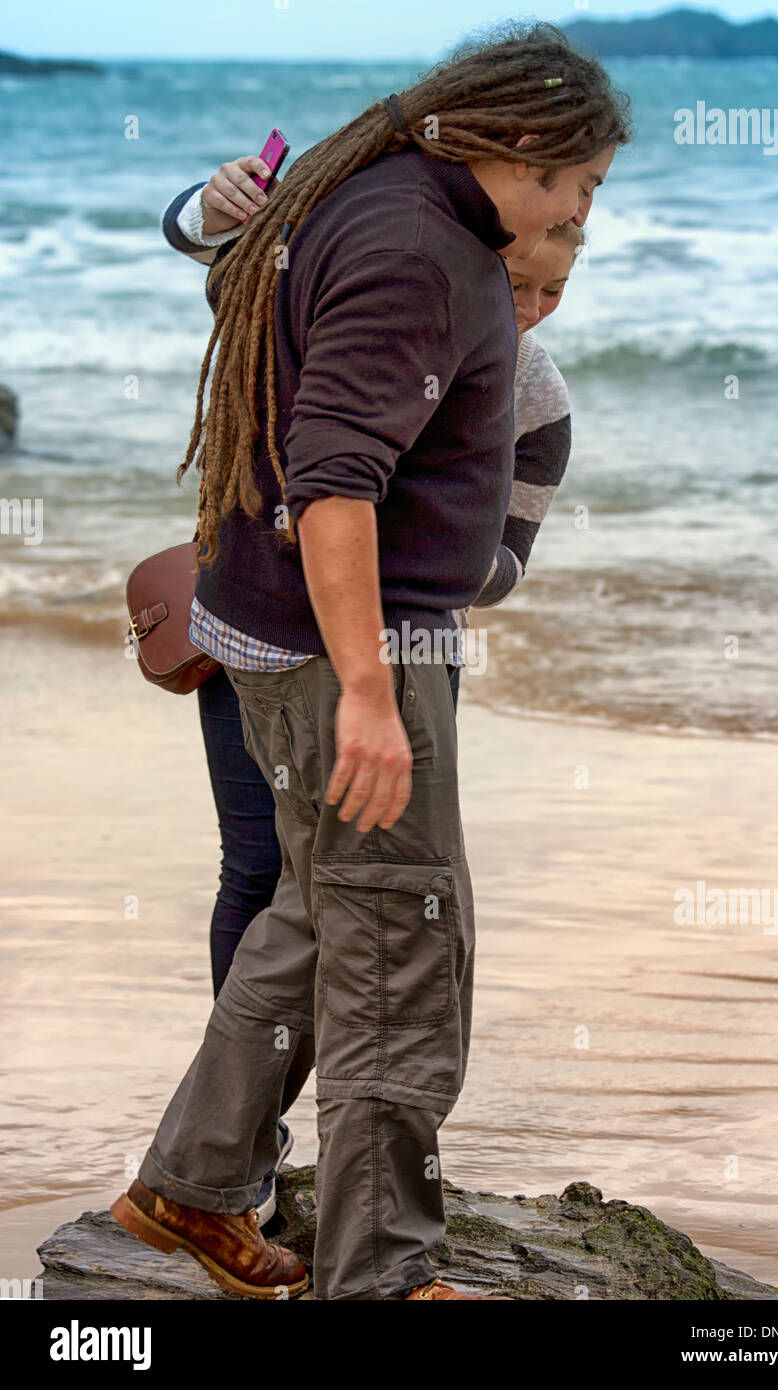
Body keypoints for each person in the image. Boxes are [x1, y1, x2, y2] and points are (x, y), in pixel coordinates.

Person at [111, 21, 630, 1301]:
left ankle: (190, 1178)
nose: (574, 224)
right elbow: (333, 485)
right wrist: (365, 693)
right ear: (523, 147)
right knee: (403, 949)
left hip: (312, 633)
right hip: (353, 648)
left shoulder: (366, 190)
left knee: (318, 909)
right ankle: (380, 1275)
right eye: (578, 194)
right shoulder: (416, 245)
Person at [165, 177, 583, 1225]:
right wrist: (210, 195)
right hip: (258, 645)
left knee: (344, 913)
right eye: (514, 283)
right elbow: (209, 249)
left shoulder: (526, 390)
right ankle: (245, 1171)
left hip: (394, 666)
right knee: (271, 880)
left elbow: (501, 562)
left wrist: (385, 542)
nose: (526, 309)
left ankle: (214, 1181)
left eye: (552, 292)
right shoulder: (379, 286)